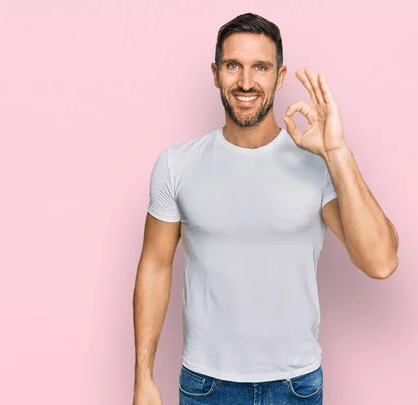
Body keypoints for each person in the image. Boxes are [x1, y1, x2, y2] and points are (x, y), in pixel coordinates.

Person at [132, 12, 399, 405]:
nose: (245, 82)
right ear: (215, 72)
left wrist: (337, 153)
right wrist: (143, 376)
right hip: (206, 384)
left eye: (260, 67)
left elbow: (381, 262)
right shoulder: (177, 164)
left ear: (280, 75)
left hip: (295, 385)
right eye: (233, 66)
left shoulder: (316, 163)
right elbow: (155, 265)